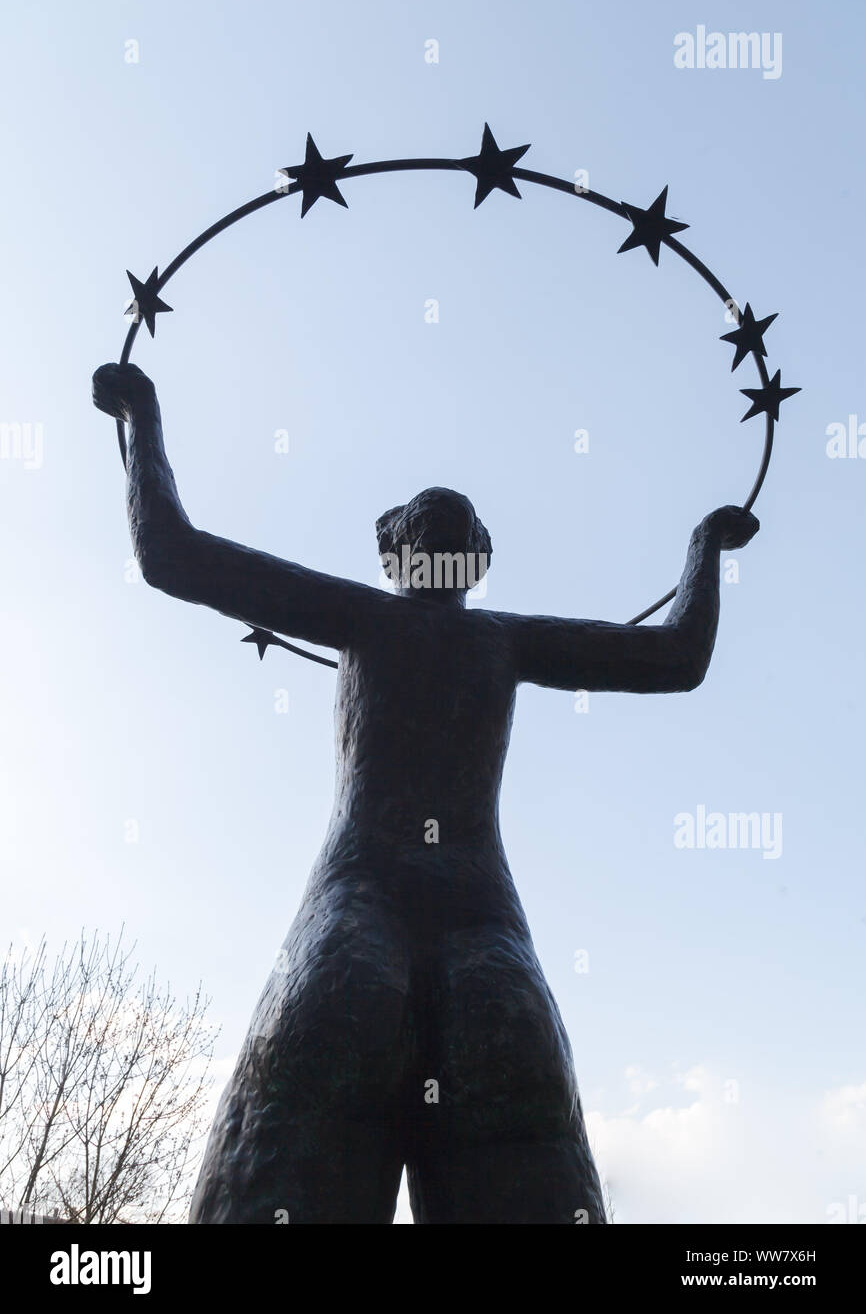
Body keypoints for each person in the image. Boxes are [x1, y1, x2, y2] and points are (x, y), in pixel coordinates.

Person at [92, 361, 759, 1224]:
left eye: (456, 528)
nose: (442, 527)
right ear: (396, 553)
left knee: (427, 1105)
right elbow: (171, 555)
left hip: (432, 921)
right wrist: (141, 417)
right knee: (334, 1094)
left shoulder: (477, 635)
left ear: (473, 560)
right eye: (426, 523)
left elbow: (675, 658)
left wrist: (704, 546)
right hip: (403, 913)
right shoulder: (401, 622)